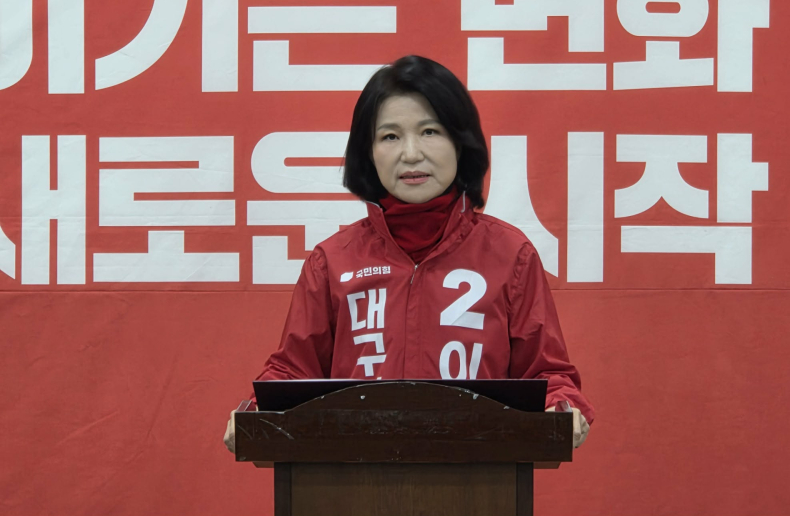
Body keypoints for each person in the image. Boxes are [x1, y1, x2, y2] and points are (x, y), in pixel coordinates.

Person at [224, 55, 593, 453]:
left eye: (430, 131)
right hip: (353, 474)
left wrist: (563, 405)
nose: (411, 153)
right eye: (390, 137)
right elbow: (293, 372)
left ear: (460, 142)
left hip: (479, 471)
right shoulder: (332, 261)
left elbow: (547, 373)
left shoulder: (510, 254)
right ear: (368, 152)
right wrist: (256, 410)